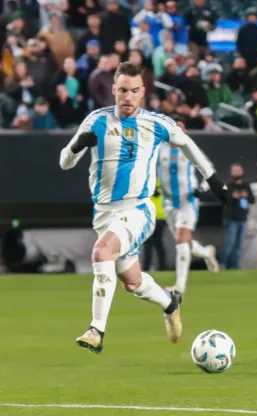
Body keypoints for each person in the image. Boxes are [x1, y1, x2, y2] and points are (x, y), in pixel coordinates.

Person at [59, 62, 230, 354]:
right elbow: (64, 162)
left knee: (101, 252)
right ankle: (170, 302)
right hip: (103, 213)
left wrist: (214, 179)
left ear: (143, 92)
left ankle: (96, 329)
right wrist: (77, 145)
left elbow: (189, 145)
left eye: (134, 90)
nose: (128, 96)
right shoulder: (96, 121)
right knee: (132, 282)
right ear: (114, 90)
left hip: (138, 209)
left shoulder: (156, 123)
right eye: (123, 90)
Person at [157, 118, 220, 294]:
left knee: (181, 239)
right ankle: (207, 252)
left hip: (188, 200)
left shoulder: (190, 148)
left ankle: (179, 286)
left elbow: (209, 169)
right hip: (168, 202)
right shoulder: (158, 150)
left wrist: (202, 188)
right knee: (184, 243)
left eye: (180, 128)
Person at [221, 162, 255, 269]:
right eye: (234, 171)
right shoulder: (228, 185)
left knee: (239, 245)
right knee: (230, 243)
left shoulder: (246, 185)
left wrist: (246, 196)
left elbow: (252, 200)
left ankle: (235, 266)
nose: (237, 173)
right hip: (232, 218)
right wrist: (232, 197)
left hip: (243, 218)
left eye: (238, 171)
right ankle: (223, 264)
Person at [142, 178, 168, 271]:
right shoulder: (162, 182)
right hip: (160, 216)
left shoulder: (146, 182)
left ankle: (147, 268)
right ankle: (163, 267)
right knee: (158, 243)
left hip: (153, 216)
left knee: (150, 243)